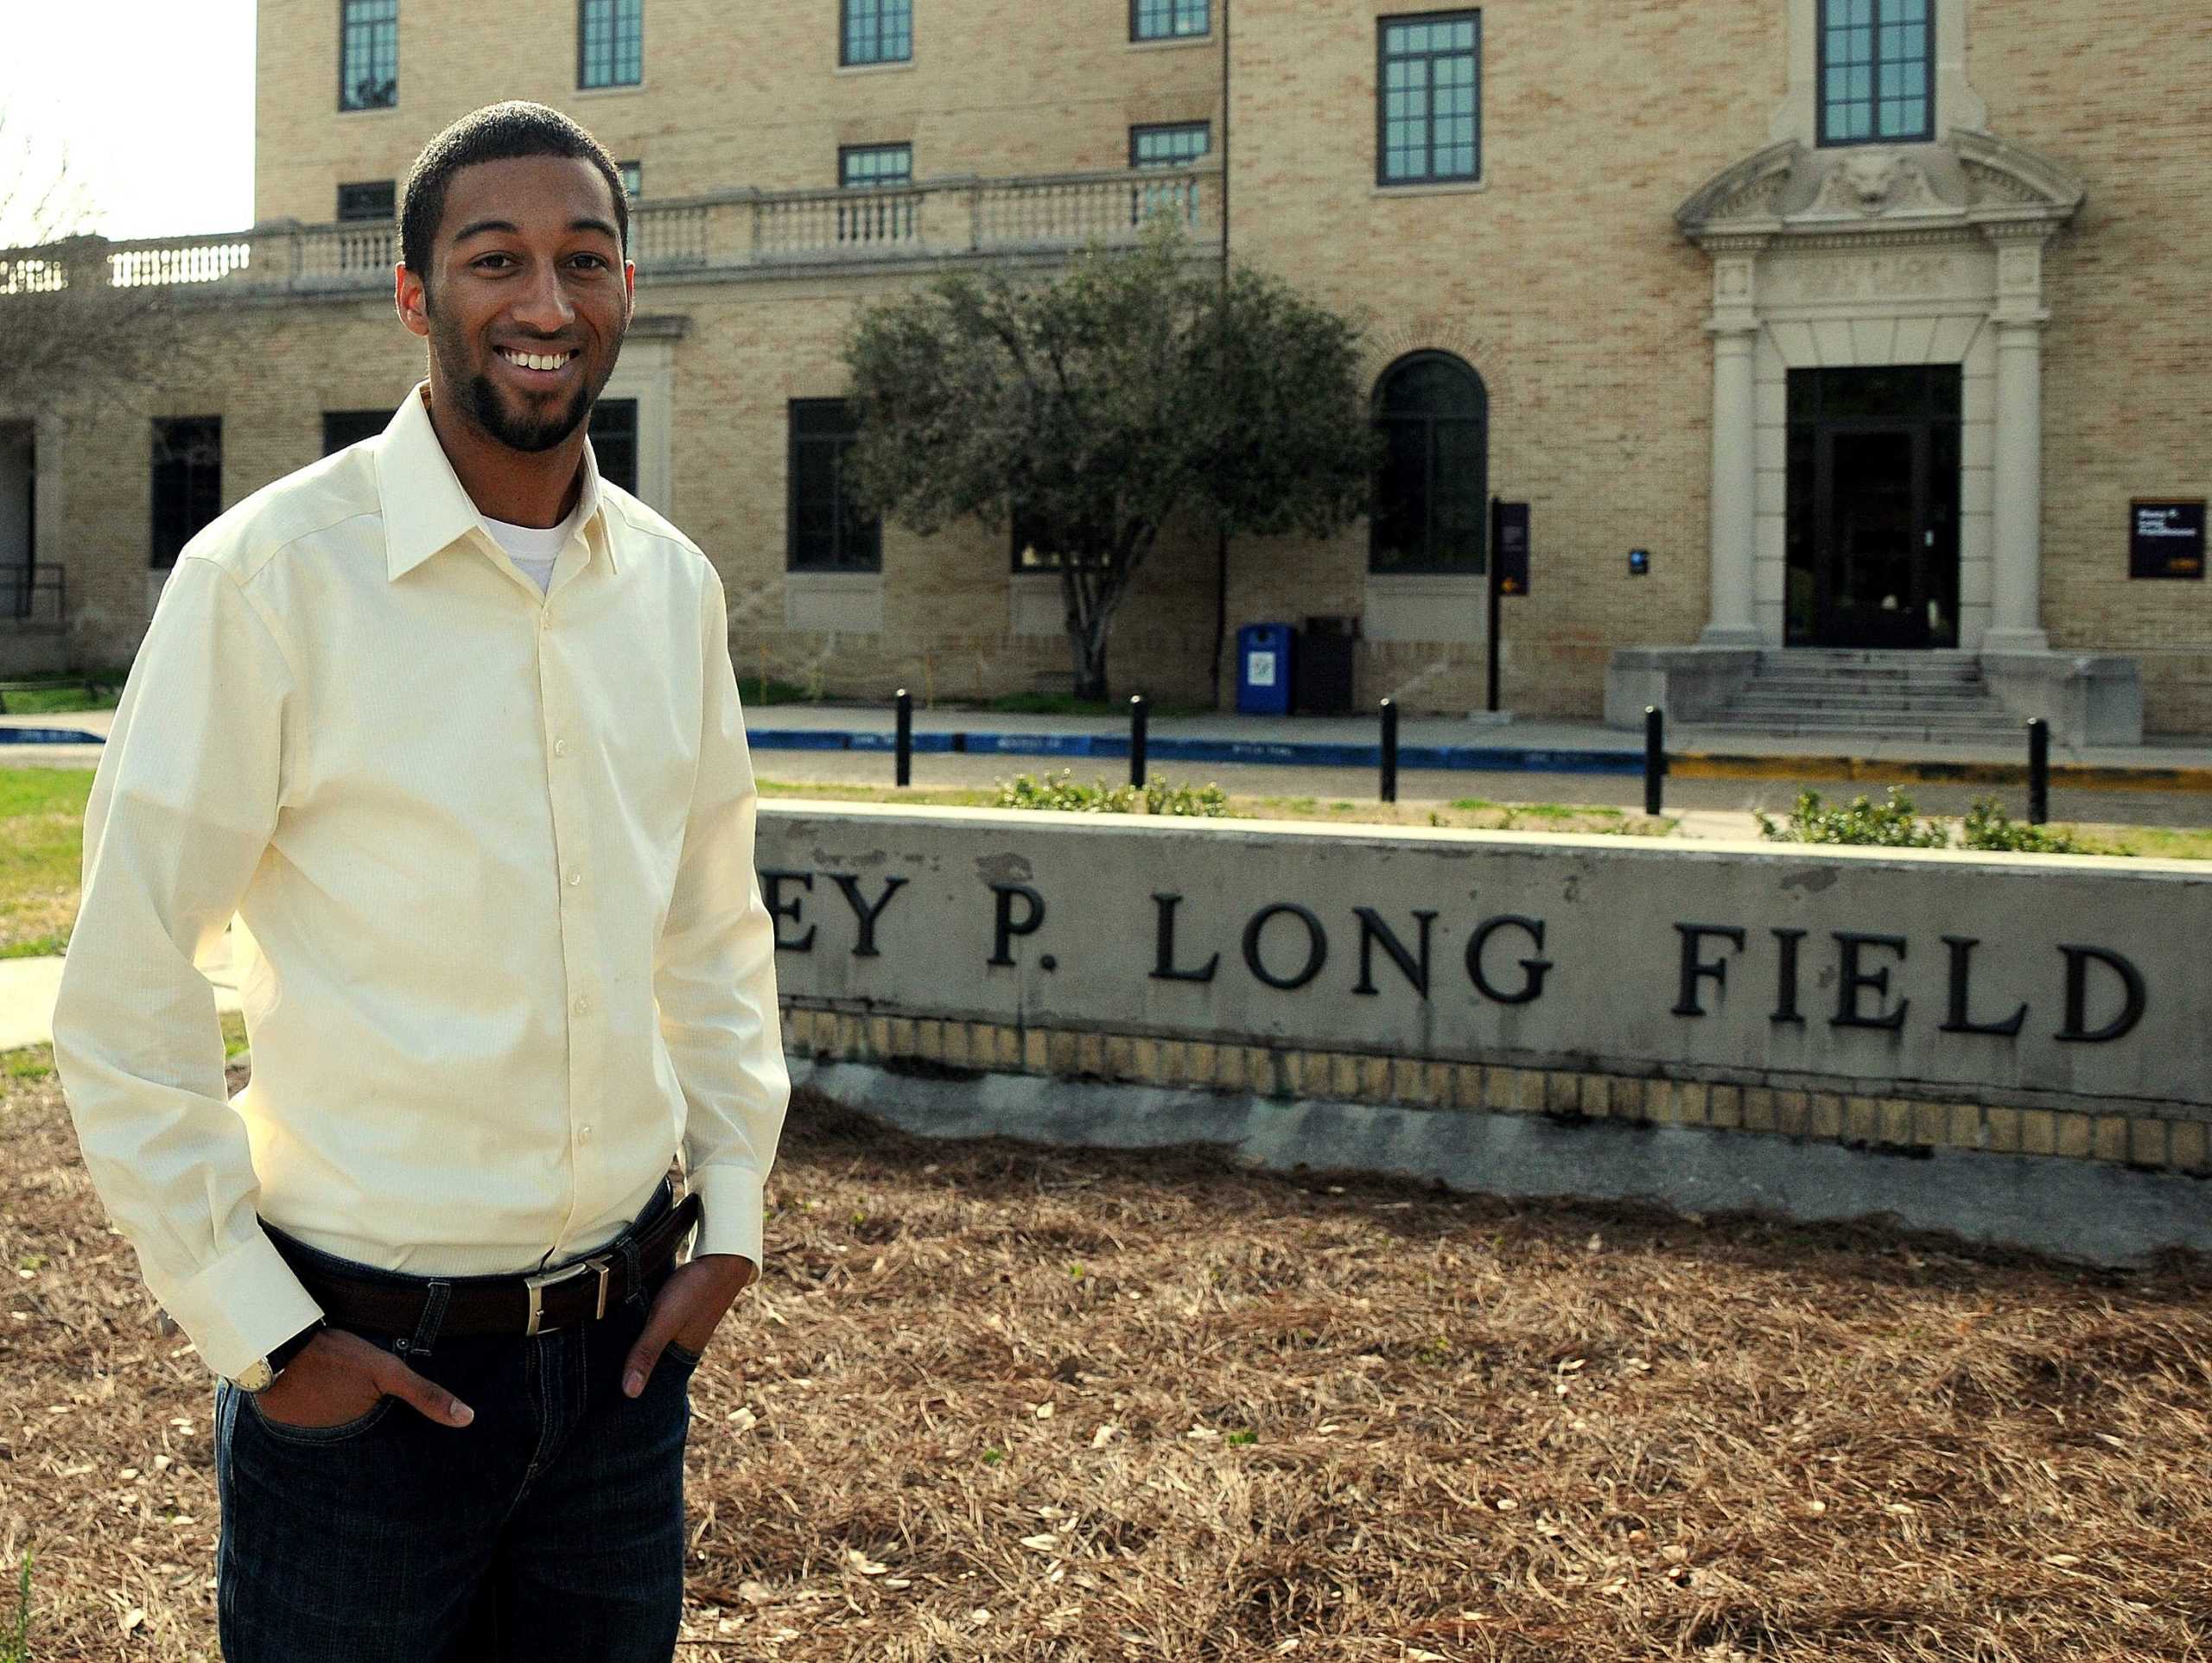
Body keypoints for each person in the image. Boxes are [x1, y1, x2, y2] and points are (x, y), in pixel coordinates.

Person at [52, 101, 789, 1662]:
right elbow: (122, 989)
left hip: (620, 1379)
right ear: (413, 294)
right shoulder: (264, 581)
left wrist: (731, 1216)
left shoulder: (672, 590)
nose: (544, 302)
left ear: (625, 291)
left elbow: (713, 931)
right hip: (360, 1383)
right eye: (495, 259)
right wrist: (263, 1332)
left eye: (582, 259)